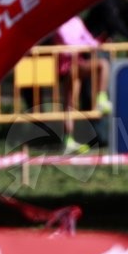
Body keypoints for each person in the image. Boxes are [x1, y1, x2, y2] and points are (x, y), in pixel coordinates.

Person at [53, 14, 112, 153]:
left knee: (70, 104)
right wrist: (88, 45)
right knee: (102, 65)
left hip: (77, 64)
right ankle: (101, 99)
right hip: (67, 67)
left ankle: (68, 140)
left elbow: (88, 39)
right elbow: (69, 42)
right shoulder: (59, 22)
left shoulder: (76, 20)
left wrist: (97, 44)